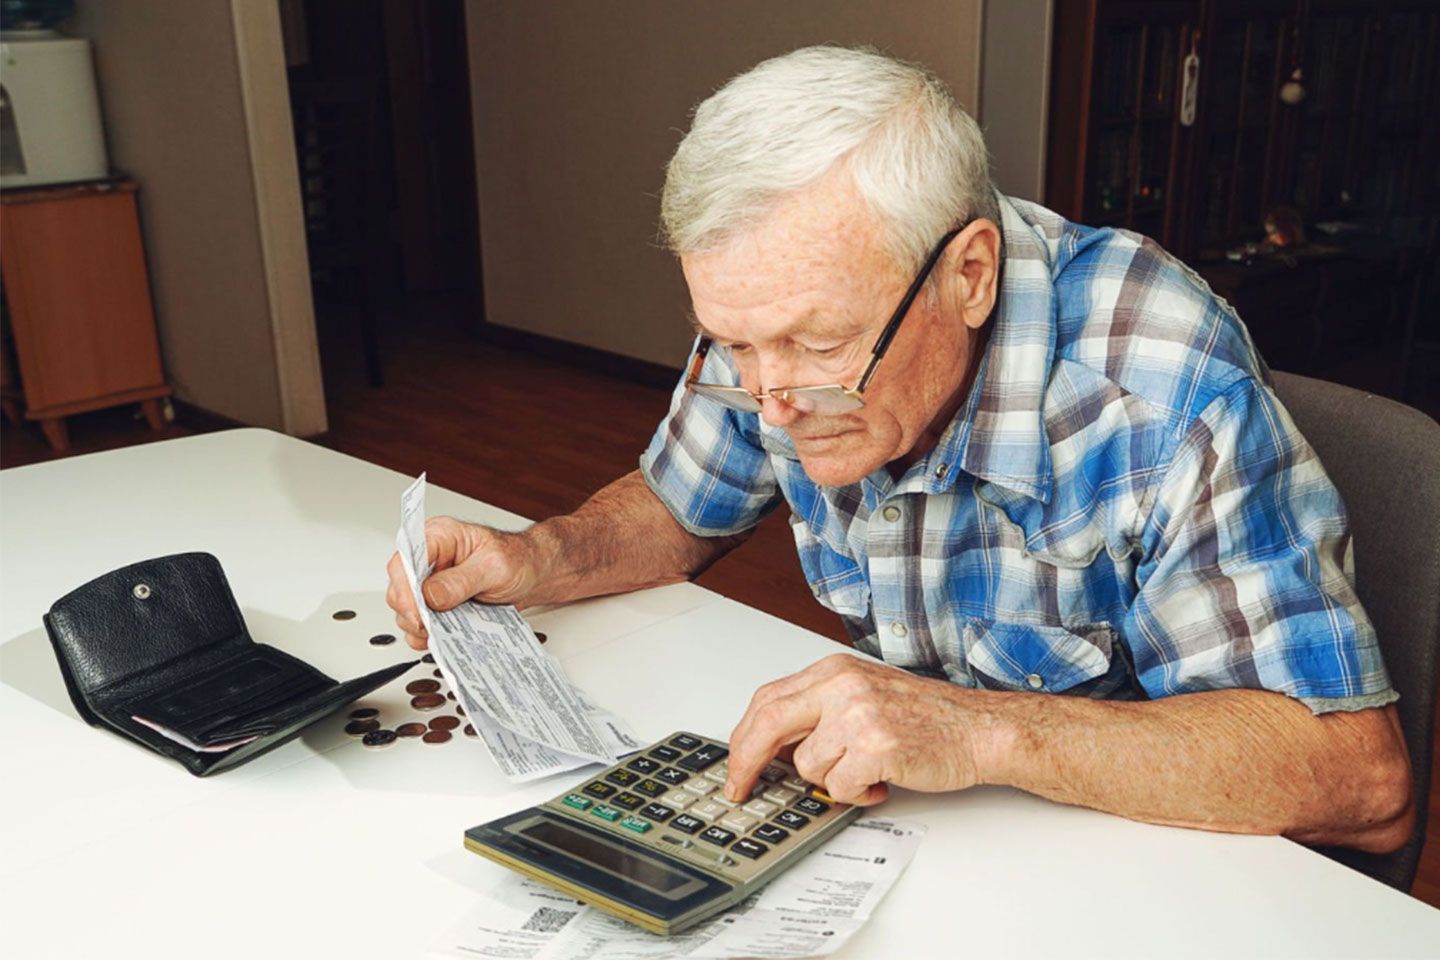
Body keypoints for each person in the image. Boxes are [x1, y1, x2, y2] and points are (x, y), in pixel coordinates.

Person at [386, 46, 1413, 852]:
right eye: (736, 344)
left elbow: (1361, 780)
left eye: (819, 346)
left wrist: (979, 730)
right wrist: (541, 557)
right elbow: (679, 506)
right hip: (937, 837)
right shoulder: (783, 332)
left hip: (1155, 860)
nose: (769, 403)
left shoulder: (1162, 390)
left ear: (968, 276)